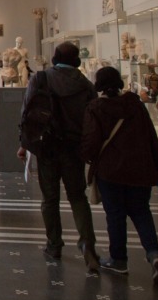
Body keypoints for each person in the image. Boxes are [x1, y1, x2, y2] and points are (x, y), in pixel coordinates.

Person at [17, 42, 100, 271]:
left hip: (47, 147)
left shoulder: (41, 79)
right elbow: (92, 120)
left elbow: (27, 112)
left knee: (49, 199)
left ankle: (54, 244)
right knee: (77, 197)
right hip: (74, 149)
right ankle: (87, 244)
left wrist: (23, 144)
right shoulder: (85, 85)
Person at [82, 66, 158, 282]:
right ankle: (155, 254)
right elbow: (150, 137)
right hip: (140, 168)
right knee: (141, 212)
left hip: (111, 170)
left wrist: (84, 157)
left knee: (115, 215)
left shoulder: (96, 107)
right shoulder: (135, 105)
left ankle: (119, 259)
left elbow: (91, 141)